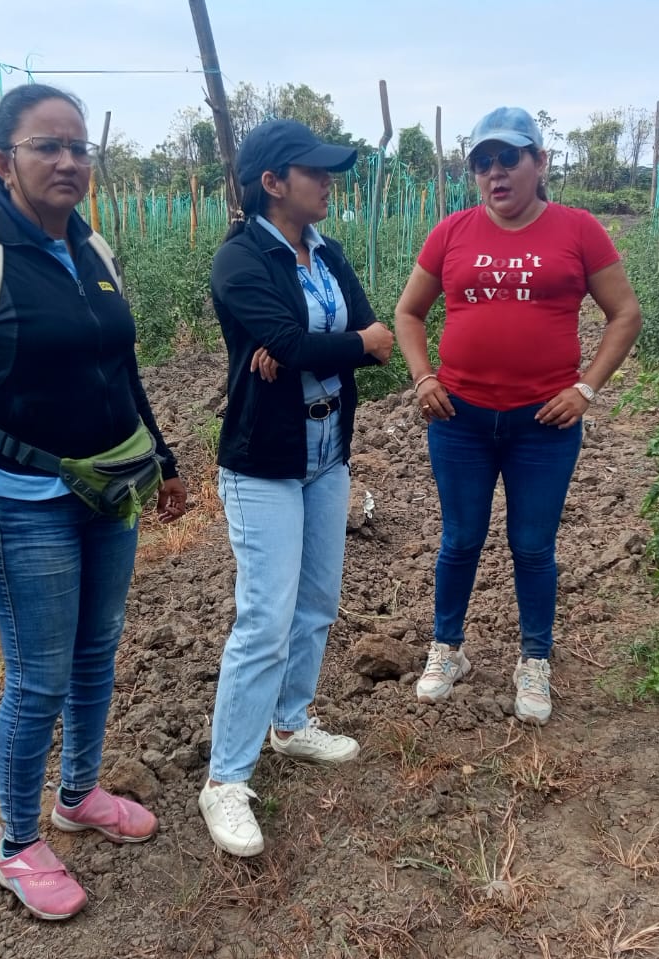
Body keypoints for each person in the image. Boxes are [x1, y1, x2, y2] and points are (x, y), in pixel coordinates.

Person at [0, 83, 187, 920]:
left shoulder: (92, 248)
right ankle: (18, 843)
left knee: (97, 652)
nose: (67, 161)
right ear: (5, 161)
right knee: (37, 678)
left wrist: (164, 458)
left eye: (78, 147)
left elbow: (121, 368)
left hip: (109, 490)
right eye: (46, 146)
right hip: (21, 501)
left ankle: (79, 794)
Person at [394, 106, 642, 725]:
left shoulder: (578, 230)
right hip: (461, 420)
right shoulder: (451, 233)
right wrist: (423, 376)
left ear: (540, 162)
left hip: (544, 425)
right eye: (483, 162)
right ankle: (447, 649)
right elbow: (408, 313)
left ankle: (534, 659)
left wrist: (586, 389)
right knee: (460, 539)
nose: (495, 173)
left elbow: (625, 314)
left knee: (532, 545)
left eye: (509, 158)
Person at [199, 119, 394, 857]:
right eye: (315, 171)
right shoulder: (240, 258)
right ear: (273, 182)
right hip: (264, 462)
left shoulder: (327, 252)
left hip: (327, 452)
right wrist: (324, 346)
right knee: (265, 618)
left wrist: (316, 349)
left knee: (316, 603)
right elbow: (303, 341)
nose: (328, 182)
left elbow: (376, 338)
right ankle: (225, 780)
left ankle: (290, 723)